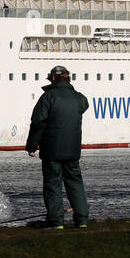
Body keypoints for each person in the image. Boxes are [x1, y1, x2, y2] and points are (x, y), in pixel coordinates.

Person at [26, 65, 90, 230]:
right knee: (75, 183)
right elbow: (84, 106)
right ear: (68, 78)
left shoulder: (48, 97)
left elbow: (38, 123)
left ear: (53, 78)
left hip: (52, 151)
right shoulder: (79, 98)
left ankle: (56, 221)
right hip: (73, 151)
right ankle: (82, 220)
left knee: (53, 184)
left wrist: (32, 146)